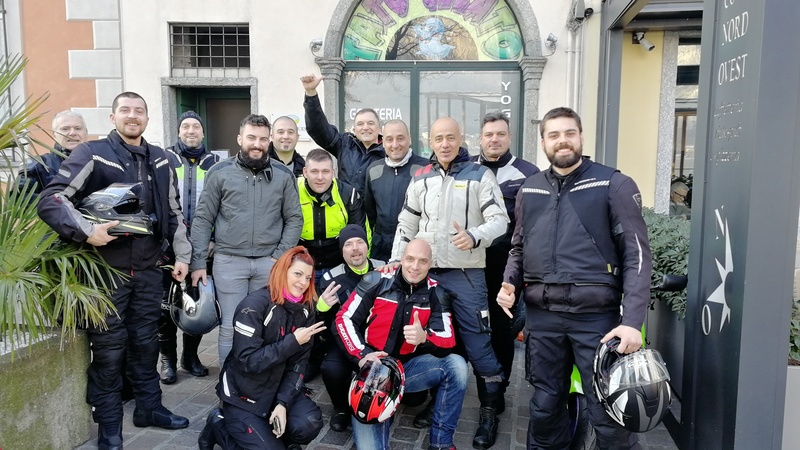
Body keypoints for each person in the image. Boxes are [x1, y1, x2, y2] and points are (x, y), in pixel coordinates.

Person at [37, 92, 191, 450]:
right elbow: (53, 198)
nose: (132, 116)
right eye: (125, 110)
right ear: (112, 117)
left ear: (148, 119)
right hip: (105, 275)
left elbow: (174, 213)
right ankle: (109, 428)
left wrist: (182, 256)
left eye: (139, 111)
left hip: (150, 271)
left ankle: (149, 409)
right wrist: (88, 231)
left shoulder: (162, 159)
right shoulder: (91, 153)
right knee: (108, 351)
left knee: (146, 343)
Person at [498, 106, 652, 449]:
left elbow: (638, 255)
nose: (562, 141)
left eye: (569, 133)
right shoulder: (530, 189)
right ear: (543, 142)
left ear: (581, 137)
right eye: (554, 135)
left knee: (608, 413)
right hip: (543, 319)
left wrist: (632, 321)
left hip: (597, 321)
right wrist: (510, 282)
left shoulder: (614, 184)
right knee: (544, 407)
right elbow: (518, 247)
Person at [391, 117, 510, 449]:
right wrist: (398, 261)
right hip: (427, 276)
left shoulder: (479, 175)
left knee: (479, 346)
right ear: (431, 141)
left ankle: (489, 412)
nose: (444, 144)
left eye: (450, 138)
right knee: (433, 344)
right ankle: (438, 401)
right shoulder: (421, 178)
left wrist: (474, 236)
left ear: (461, 140)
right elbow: (406, 223)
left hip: (466, 275)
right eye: (438, 138)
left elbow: (500, 221)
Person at [190, 114, 303, 366]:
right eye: (251, 137)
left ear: (269, 140)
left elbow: (294, 218)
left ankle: (256, 388)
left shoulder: (283, 175)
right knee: (231, 326)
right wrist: (197, 262)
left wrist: (279, 255)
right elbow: (203, 219)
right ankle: (227, 391)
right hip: (229, 262)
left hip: (269, 264)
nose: (257, 144)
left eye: (263, 139)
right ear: (240, 138)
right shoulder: (219, 173)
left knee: (265, 325)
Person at [335, 239, 468, 450]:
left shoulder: (437, 293)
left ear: (430, 264)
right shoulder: (375, 280)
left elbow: (448, 338)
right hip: (372, 373)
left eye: (422, 261)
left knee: (457, 366)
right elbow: (343, 319)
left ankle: (441, 444)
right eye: (410, 259)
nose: (415, 267)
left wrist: (425, 337)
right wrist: (362, 356)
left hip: (407, 371)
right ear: (401, 259)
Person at [198, 246, 326, 450]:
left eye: (308, 278)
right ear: (282, 271)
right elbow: (247, 361)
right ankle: (218, 425)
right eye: (298, 274)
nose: (303, 283)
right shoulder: (253, 306)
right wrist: (292, 341)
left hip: (277, 389)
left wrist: (283, 403)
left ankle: (282, 438)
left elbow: (298, 365)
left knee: (308, 423)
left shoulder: (306, 309)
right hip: (244, 395)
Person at [158, 111, 221, 384]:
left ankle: (191, 356)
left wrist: (215, 240)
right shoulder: (164, 159)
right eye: (186, 126)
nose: (191, 130)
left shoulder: (217, 163)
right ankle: (168, 361)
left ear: (203, 133)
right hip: (168, 246)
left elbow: (224, 206)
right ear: (179, 131)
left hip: (203, 248)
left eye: (196, 126)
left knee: (196, 302)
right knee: (166, 305)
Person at [313, 224, 384, 431]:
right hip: (344, 338)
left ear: (367, 246)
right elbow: (321, 324)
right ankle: (341, 407)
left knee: (415, 397)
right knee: (331, 368)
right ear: (342, 250)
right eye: (348, 244)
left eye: (360, 242)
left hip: (378, 336)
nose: (355, 248)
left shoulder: (384, 268)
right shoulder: (331, 278)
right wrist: (322, 307)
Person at [301, 73, 385, 197]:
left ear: (379, 129)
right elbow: (318, 129)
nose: (365, 127)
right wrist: (311, 92)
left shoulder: (388, 152)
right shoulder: (345, 144)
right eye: (360, 124)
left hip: (374, 215)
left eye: (370, 123)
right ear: (355, 130)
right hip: (346, 212)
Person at [297, 148, 366, 284]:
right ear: (305, 172)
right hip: (302, 267)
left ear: (333, 173)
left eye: (326, 171)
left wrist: (362, 269)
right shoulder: (292, 191)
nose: (320, 177)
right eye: (314, 171)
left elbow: (362, 234)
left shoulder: (347, 194)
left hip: (339, 267)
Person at [364, 119, 428, 262]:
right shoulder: (373, 170)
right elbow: (370, 212)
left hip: (414, 247)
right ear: (383, 142)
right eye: (389, 139)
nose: (395, 144)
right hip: (380, 248)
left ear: (409, 139)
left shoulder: (426, 169)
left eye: (400, 138)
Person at [16, 110, 88, 196]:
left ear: (86, 133)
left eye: (78, 128)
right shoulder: (38, 166)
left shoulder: (101, 163)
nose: (72, 133)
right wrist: (58, 205)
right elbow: (20, 198)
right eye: (65, 129)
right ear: (55, 135)